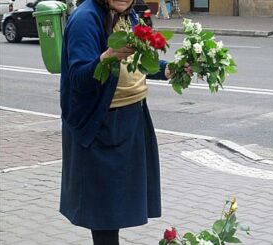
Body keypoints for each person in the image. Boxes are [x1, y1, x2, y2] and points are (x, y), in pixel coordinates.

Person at [59, 0, 175, 244]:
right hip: (101, 124)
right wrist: (107, 57)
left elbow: (139, 63)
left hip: (133, 119)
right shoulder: (85, 18)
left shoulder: (130, 16)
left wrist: (167, 69)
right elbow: (78, 78)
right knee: (103, 213)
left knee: (117, 207)